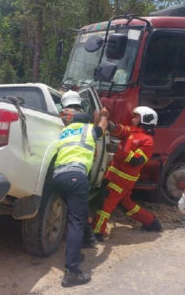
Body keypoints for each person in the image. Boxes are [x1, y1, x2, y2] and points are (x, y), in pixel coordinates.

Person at [53, 109, 108, 287]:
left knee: (77, 211)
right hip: (76, 176)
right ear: (87, 123)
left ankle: (80, 246)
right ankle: (72, 272)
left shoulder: (65, 132)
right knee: (75, 222)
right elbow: (102, 126)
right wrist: (104, 116)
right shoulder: (89, 130)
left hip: (58, 178)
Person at [92, 106, 163, 242]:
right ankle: (151, 222)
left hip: (122, 179)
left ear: (145, 120)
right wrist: (110, 124)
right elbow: (121, 129)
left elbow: (137, 160)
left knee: (106, 204)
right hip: (115, 175)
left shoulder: (147, 141)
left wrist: (118, 150)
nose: (133, 118)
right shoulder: (133, 131)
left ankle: (96, 233)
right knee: (126, 204)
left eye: (136, 116)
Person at [60, 90, 99, 248]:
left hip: (64, 160)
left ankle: (84, 236)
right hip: (83, 160)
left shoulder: (61, 114)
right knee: (81, 201)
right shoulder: (84, 116)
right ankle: (87, 237)